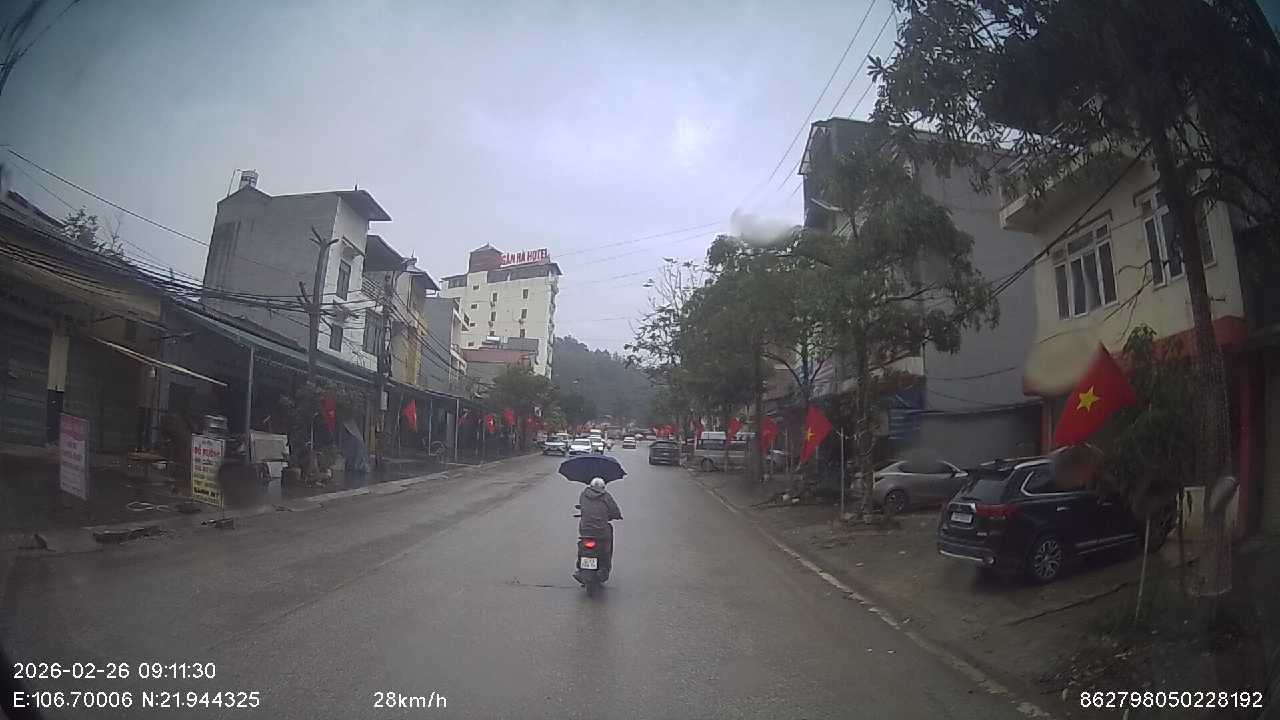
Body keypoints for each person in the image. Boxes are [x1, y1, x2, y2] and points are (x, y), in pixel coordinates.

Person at [576, 477, 622, 583]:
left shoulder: (583, 494)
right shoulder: (606, 496)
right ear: (603, 487)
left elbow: (583, 506)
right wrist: (617, 515)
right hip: (601, 531)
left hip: (585, 530)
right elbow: (614, 510)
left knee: (582, 545)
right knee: (606, 546)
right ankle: (605, 566)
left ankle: (580, 565)